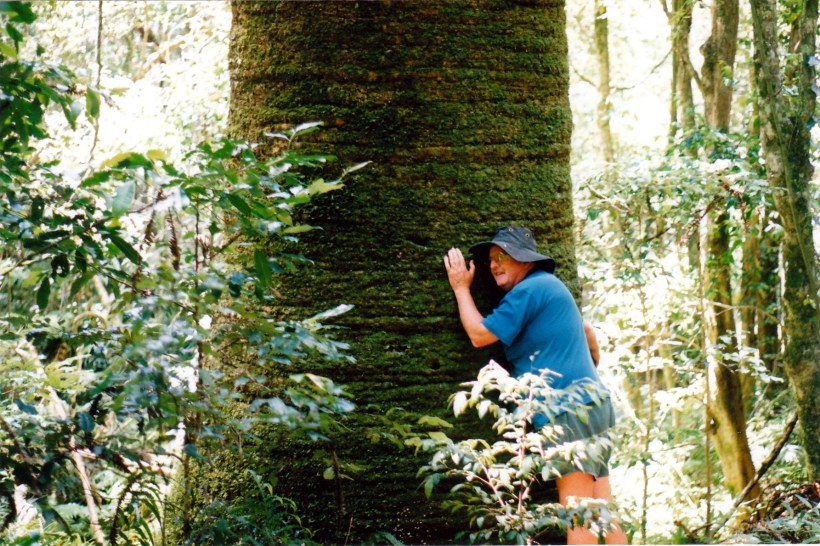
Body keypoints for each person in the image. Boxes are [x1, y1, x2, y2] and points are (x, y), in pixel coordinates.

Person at [443, 226, 627, 545]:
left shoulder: (528, 290)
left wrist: (461, 288)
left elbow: (479, 335)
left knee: (578, 517)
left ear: (525, 259)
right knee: (602, 513)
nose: (494, 265)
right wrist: (584, 368)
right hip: (595, 405)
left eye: (503, 256)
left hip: (569, 414)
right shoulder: (549, 286)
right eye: (491, 259)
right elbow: (587, 331)